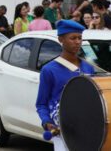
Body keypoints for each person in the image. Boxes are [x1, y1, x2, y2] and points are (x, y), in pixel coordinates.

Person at [35, 20, 94, 151]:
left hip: (87, 129)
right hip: (63, 130)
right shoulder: (49, 70)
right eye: (73, 38)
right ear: (61, 39)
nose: (77, 42)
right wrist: (47, 122)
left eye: (80, 38)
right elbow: (41, 103)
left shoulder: (88, 67)